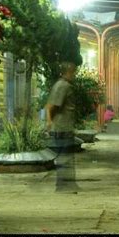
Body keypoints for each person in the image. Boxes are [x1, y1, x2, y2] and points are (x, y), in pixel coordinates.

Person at [45, 61, 79, 193]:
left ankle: (69, 184)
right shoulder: (63, 86)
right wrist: (50, 122)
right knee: (65, 157)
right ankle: (63, 186)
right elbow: (51, 106)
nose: (75, 75)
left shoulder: (62, 85)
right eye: (73, 72)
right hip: (62, 127)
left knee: (68, 157)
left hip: (64, 127)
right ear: (68, 72)